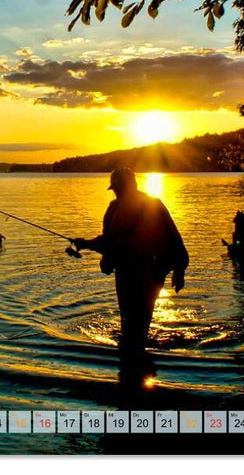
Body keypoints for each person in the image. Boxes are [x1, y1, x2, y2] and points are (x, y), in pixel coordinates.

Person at [69, 167, 189, 389]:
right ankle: (134, 378)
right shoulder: (113, 208)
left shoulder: (153, 205)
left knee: (139, 323)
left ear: (131, 186)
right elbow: (108, 241)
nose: (117, 193)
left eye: (120, 188)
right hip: (124, 273)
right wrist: (86, 244)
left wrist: (179, 270)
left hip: (149, 273)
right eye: (115, 189)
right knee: (129, 324)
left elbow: (174, 239)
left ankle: (137, 380)